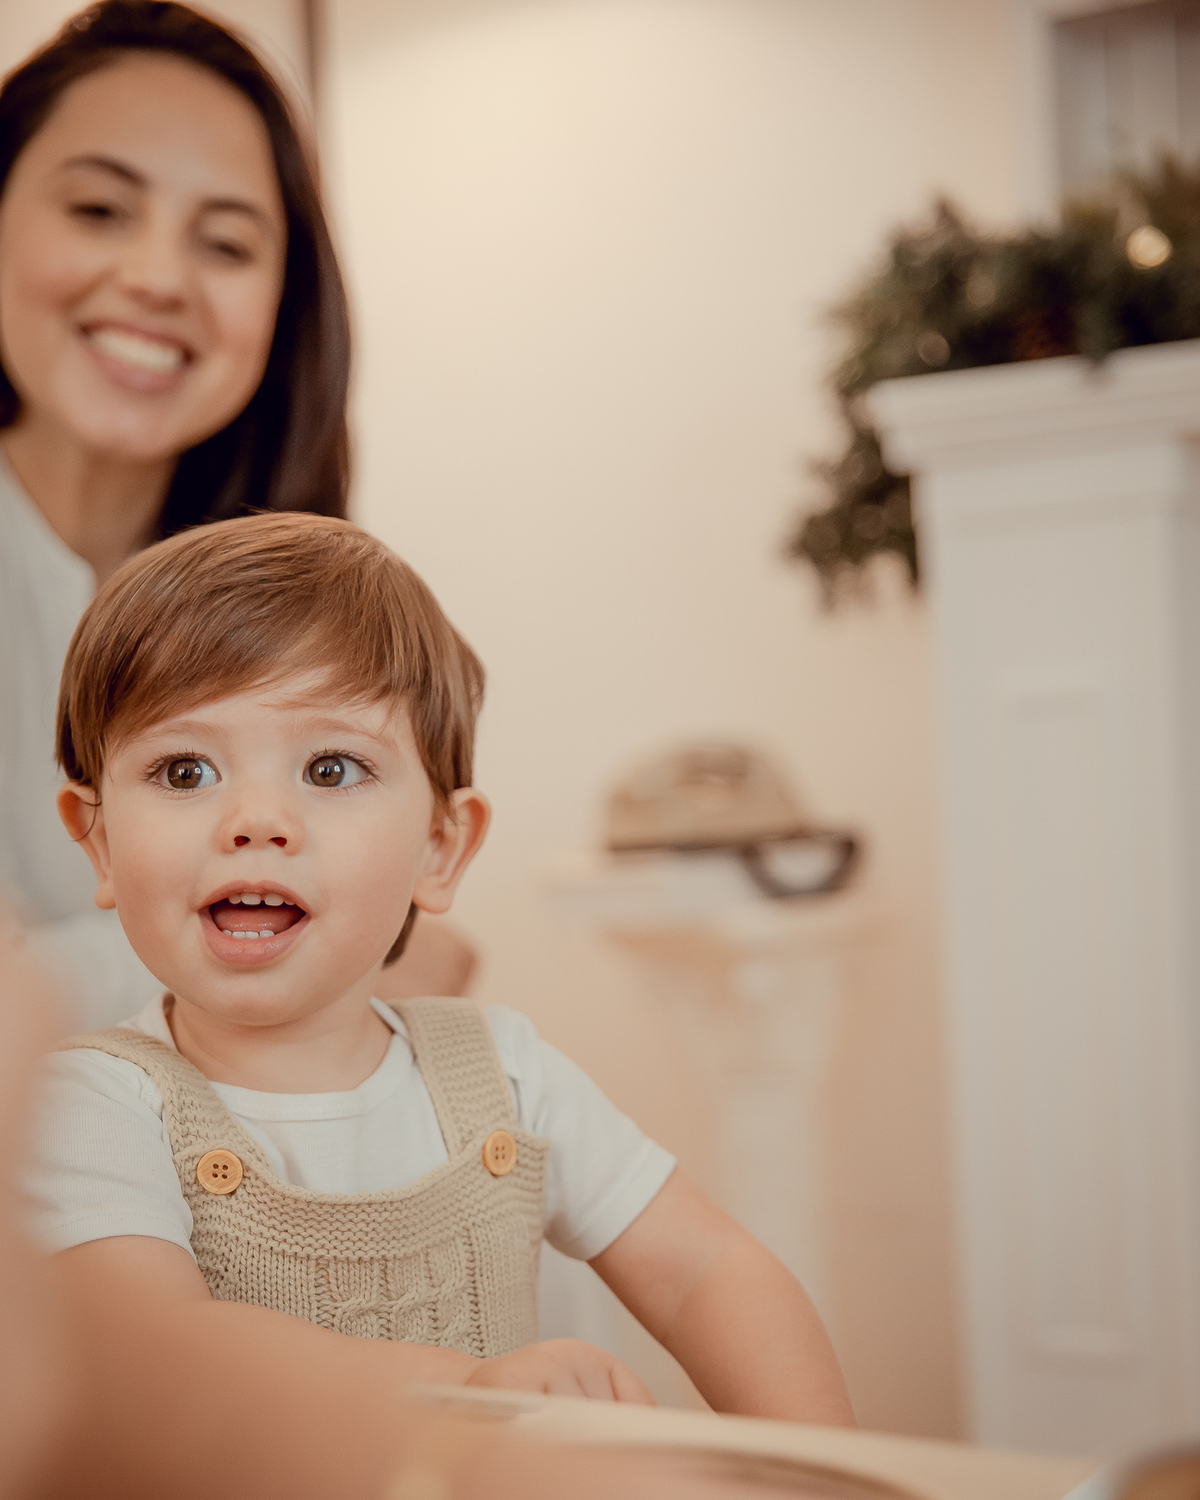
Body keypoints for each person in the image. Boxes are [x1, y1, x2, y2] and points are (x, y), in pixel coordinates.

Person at [28, 512, 856, 1422]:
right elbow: (168, 1358)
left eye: (332, 769)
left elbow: (707, 1272)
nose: (255, 820)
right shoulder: (93, 1107)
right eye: (185, 772)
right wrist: (460, 1389)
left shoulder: (504, 1075)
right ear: (98, 841)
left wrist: (829, 1467)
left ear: (440, 846)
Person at [0, 0, 470, 1031]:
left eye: (225, 243)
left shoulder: (295, 602)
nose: (159, 280)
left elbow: (417, 944)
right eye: (98, 211)